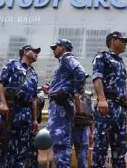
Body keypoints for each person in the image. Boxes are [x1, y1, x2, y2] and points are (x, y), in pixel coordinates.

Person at [42, 38, 86, 167]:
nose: (53, 50)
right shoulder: (63, 62)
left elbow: (80, 72)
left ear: (63, 47)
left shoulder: (67, 58)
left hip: (61, 106)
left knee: (61, 145)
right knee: (59, 144)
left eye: (55, 47)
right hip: (59, 104)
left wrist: (76, 93)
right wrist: (51, 90)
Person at [91, 31, 127, 168]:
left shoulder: (121, 62)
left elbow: (122, 86)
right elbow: (97, 77)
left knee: (120, 148)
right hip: (106, 106)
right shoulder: (102, 56)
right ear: (114, 40)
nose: (125, 43)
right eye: (123, 40)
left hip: (120, 109)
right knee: (101, 147)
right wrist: (102, 99)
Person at [0, 45, 40, 167]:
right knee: (4, 145)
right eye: (34, 51)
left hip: (26, 113)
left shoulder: (34, 74)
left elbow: (34, 98)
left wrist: (35, 119)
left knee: (22, 147)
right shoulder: (13, 64)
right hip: (11, 109)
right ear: (25, 52)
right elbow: (0, 83)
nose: (37, 53)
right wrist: (3, 103)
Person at [72, 75, 94, 168]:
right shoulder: (67, 94)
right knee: (64, 155)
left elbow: (91, 116)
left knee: (81, 156)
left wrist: (92, 132)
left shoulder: (87, 96)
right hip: (70, 128)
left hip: (80, 129)